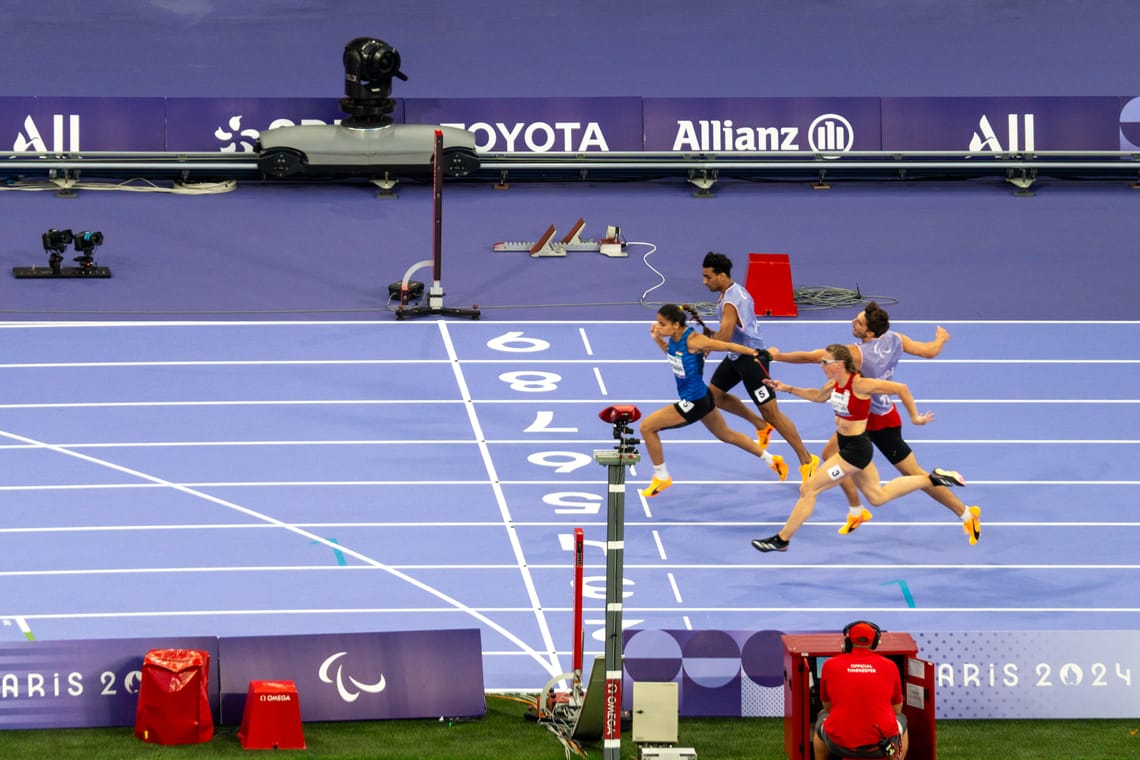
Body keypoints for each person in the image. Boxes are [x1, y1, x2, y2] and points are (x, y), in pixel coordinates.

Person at [771, 302, 981, 544]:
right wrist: (941, 338)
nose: (853, 322)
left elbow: (813, 357)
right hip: (859, 418)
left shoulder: (858, 354)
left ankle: (966, 513)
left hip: (880, 421)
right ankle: (857, 510)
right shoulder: (896, 339)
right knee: (830, 453)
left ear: (870, 333)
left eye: (859, 322)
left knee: (914, 474)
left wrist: (776, 356)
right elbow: (929, 351)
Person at [751, 344, 965, 552]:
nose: (821, 365)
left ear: (840, 364)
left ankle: (782, 539)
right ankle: (934, 478)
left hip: (855, 451)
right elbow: (817, 396)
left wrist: (915, 418)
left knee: (809, 489)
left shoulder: (860, 385)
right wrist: (786, 388)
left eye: (825, 362)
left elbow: (901, 388)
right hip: (848, 445)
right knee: (877, 497)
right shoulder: (834, 384)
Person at [639, 303, 789, 498]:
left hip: (694, 402)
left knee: (647, 427)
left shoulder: (695, 340)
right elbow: (673, 355)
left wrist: (758, 353)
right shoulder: (674, 339)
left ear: (675, 325)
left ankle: (661, 476)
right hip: (704, 396)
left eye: (662, 324)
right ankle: (772, 460)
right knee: (727, 434)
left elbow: (728, 346)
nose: (657, 326)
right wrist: (658, 339)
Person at [699, 252, 820, 481]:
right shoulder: (732, 292)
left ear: (722, 276)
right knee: (714, 397)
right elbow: (727, 336)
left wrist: (702, 344)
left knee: (772, 413)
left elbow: (724, 336)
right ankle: (759, 425)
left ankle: (807, 460)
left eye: (708, 277)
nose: (704, 281)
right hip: (736, 356)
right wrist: (710, 340)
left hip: (752, 360)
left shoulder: (731, 302)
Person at [813, 620, 909, 760]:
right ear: (874, 643)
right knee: (901, 719)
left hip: (839, 744)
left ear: (848, 642)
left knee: (822, 717)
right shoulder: (890, 666)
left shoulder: (829, 665)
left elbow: (827, 707)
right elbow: (897, 709)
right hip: (880, 746)